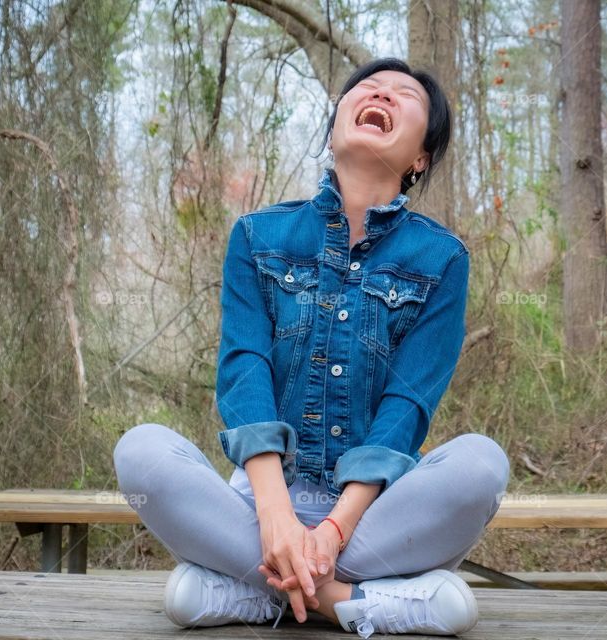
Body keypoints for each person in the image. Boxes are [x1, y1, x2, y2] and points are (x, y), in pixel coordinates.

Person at [113, 57, 510, 638]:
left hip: (372, 516)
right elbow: (244, 372)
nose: (382, 94)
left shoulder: (443, 260)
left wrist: (330, 531)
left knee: (482, 465)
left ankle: (257, 592)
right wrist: (276, 518)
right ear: (334, 129)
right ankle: (353, 601)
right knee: (140, 452)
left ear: (420, 157)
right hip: (256, 509)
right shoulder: (257, 236)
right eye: (368, 88)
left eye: (406, 95)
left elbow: (407, 408)